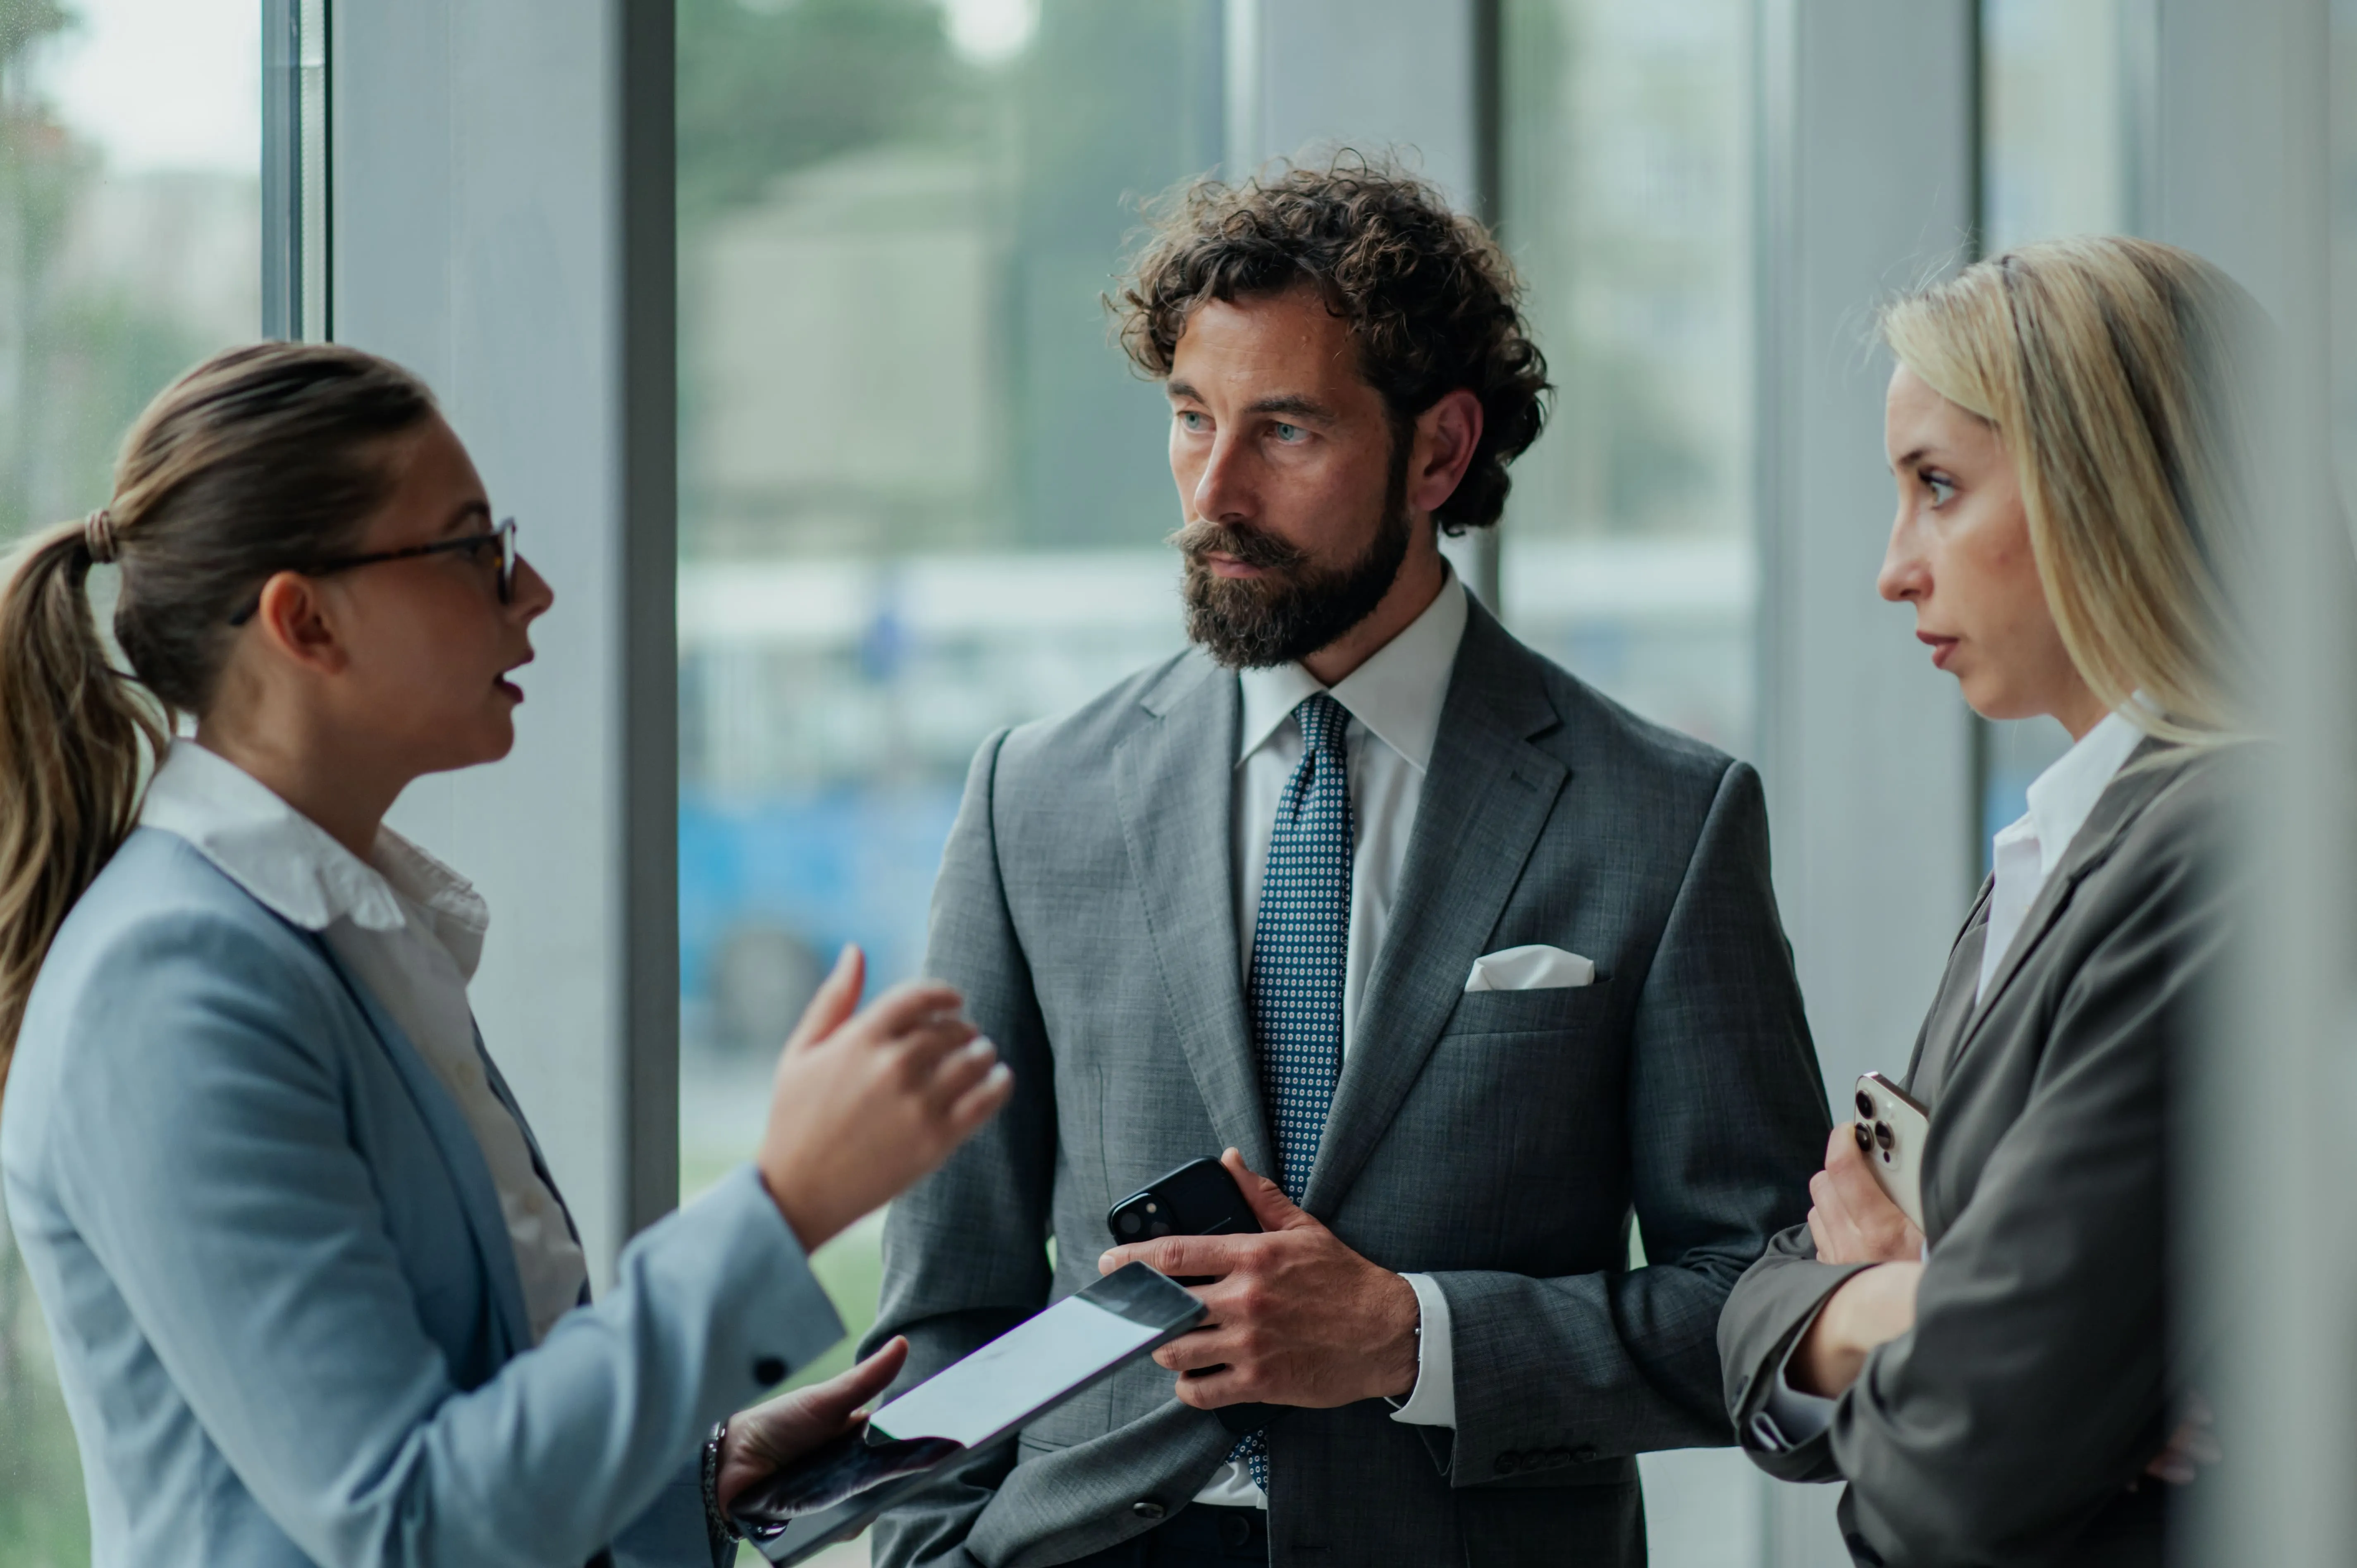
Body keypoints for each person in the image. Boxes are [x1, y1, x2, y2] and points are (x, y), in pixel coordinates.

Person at [864, 157, 1831, 1568]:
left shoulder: (1661, 817)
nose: (1215, 489)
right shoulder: (1036, 797)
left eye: (1286, 432)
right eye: (1191, 419)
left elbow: (1759, 1304)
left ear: (1438, 453)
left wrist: (1410, 1340)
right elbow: (945, 1293)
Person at [0, 342, 1013, 1568]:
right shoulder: (172, 990)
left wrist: (684, 1477)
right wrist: (778, 1204)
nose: (529, 589)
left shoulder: (343, 931)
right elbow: (406, 1524)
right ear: (303, 619)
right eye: (471, 547)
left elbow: (453, 1443)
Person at [1717, 236, 2261, 1566]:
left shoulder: (2221, 848)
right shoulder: (2059, 849)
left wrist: (1889, 1313)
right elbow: (1745, 1332)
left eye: (1938, 487)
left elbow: (1948, 1486)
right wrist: (1925, 1304)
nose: (1894, 568)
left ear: (2108, 487)